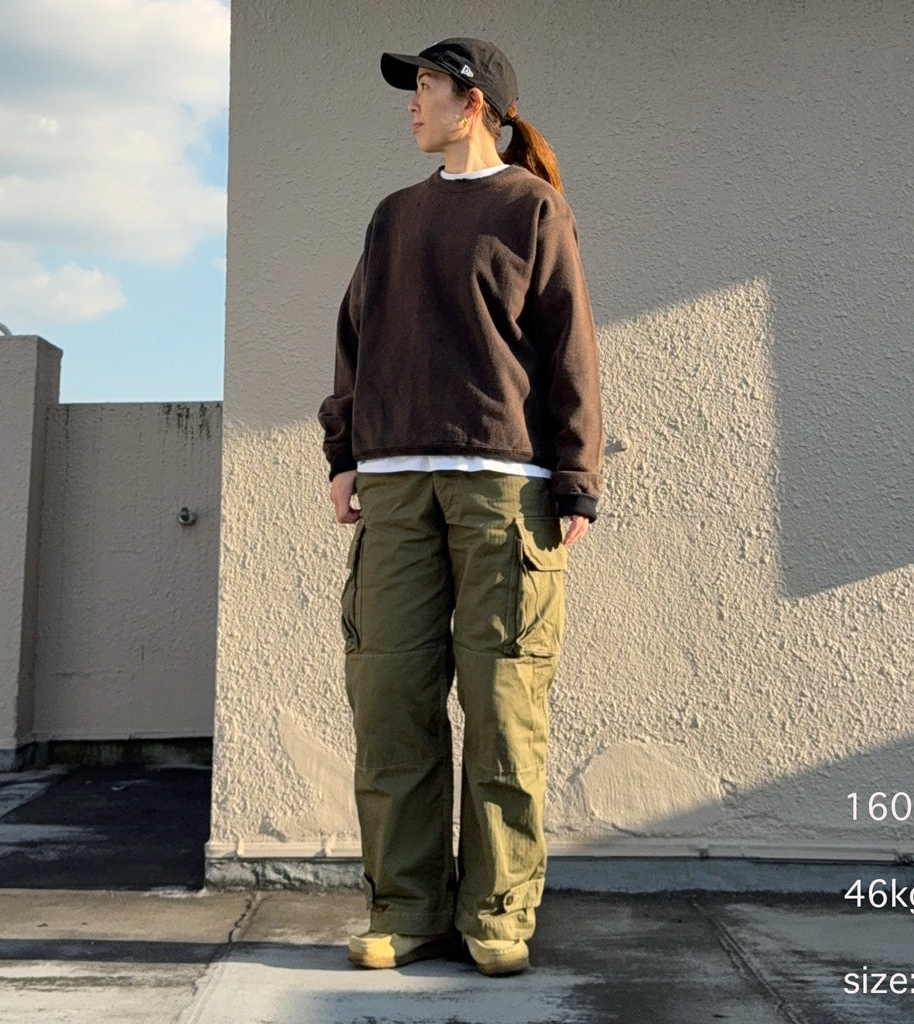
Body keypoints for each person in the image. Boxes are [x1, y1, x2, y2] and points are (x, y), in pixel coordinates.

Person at [318, 37, 603, 977]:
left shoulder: (532, 209)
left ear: (473, 102)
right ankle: (406, 909)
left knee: (504, 707)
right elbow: (355, 337)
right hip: (396, 487)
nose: (412, 103)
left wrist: (576, 477)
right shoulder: (394, 217)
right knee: (390, 702)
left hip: (504, 491)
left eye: (427, 87)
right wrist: (344, 454)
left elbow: (569, 347)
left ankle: (497, 913)